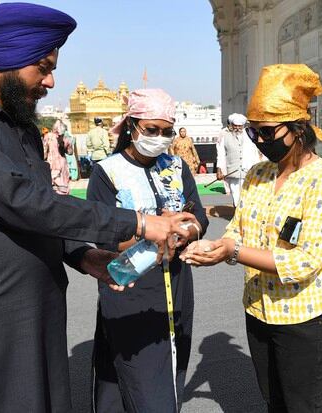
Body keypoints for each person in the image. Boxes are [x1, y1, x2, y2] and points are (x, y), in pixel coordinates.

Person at [0, 4, 192, 412]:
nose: (50, 81)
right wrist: (140, 223)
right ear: (6, 57)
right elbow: (17, 200)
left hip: (39, 315)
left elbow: (41, 208)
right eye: (42, 67)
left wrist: (80, 253)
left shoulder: (21, 125)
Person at [181, 64, 322, 412]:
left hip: (305, 318)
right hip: (258, 310)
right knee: (273, 401)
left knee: (301, 405)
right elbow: (239, 226)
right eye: (254, 133)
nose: (259, 141)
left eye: (268, 132)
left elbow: (303, 262)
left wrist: (233, 251)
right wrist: (221, 244)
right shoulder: (258, 173)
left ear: (299, 129)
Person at [89, 89, 209, 413]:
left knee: (171, 375)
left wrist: (185, 232)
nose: (159, 138)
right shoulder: (108, 172)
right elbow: (102, 238)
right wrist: (154, 233)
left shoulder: (177, 167)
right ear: (132, 125)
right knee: (146, 389)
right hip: (130, 291)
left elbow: (198, 216)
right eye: (151, 130)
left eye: (166, 131)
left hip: (178, 289)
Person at [216, 113, 264, 206]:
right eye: (235, 126)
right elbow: (221, 155)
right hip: (233, 172)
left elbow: (258, 152)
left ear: (243, 126)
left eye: (240, 126)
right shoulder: (225, 137)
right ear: (231, 125)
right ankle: (237, 218)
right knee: (236, 197)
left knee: (249, 197)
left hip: (249, 172)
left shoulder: (251, 137)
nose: (237, 128)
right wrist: (219, 170)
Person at [43, 119, 73, 194]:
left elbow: (44, 153)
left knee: (55, 188)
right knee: (63, 187)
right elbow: (70, 152)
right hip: (62, 166)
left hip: (52, 165)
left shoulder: (48, 137)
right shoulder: (65, 138)